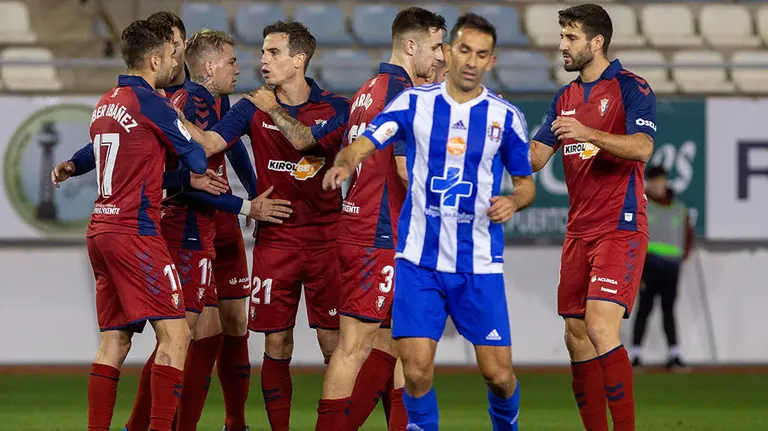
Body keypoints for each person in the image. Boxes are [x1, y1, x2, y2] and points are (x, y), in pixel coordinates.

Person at [323, 13, 535, 431]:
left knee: (498, 374)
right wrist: (346, 162)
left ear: (491, 61)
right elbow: (367, 141)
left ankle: (506, 424)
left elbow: (526, 185)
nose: (470, 61)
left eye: (481, 54)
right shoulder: (412, 101)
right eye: (461, 50)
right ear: (449, 53)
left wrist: (514, 201)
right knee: (416, 370)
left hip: (477, 262)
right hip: (418, 257)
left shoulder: (504, 117)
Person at [245, 8, 446, 431]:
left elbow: (313, 144)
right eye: (437, 45)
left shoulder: (366, 92)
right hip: (381, 233)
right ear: (411, 46)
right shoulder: (404, 96)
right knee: (357, 348)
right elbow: (409, 171)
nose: (441, 55)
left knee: (392, 345)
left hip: (356, 229)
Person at [180, 21, 349, 431]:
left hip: (327, 240)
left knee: (335, 347)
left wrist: (272, 109)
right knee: (275, 343)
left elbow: (306, 141)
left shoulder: (334, 107)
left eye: (272, 52)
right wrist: (165, 114)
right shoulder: (248, 107)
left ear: (299, 60)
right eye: (262, 52)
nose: (262, 60)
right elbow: (211, 143)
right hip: (276, 242)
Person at [74, 18, 222, 431]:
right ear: (155, 58)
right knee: (176, 337)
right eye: (173, 55)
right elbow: (196, 158)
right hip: (135, 234)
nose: (177, 61)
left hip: (100, 230)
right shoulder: (152, 103)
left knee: (114, 341)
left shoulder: (106, 101)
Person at [528, 4, 657, 431]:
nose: (561, 45)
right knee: (575, 336)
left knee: (601, 326)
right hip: (578, 231)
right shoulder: (564, 98)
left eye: (570, 37)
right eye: (562, 36)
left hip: (619, 226)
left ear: (596, 42)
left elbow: (642, 148)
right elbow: (534, 158)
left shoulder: (631, 87)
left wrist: (590, 134)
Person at [631, 165, 693, 371]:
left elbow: (688, 235)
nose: (659, 184)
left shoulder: (679, 208)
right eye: (654, 180)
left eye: (662, 180)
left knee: (669, 309)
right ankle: (636, 354)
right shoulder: (642, 205)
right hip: (649, 263)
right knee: (644, 308)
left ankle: (673, 354)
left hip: (672, 265)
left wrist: (684, 254)